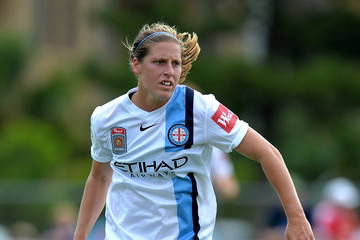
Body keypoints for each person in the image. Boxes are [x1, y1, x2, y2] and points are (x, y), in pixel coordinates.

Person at [74, 22, 314, 240]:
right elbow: (99, 177)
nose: (170, 71)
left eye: (175, 63)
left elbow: (267, 152)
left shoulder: (200, 109)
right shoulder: (106, 117)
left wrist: (296, 217)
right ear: (136, 64)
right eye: (160, 62)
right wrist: (80, 235)